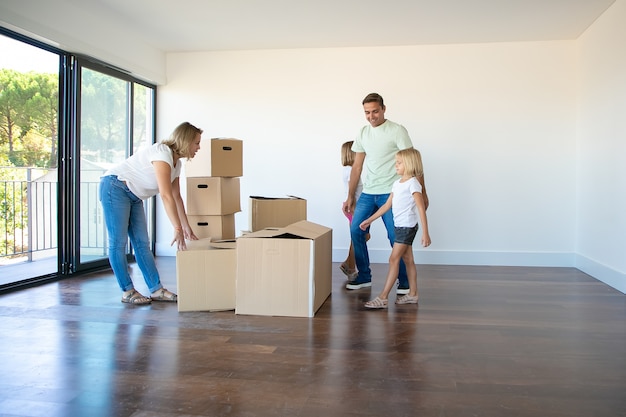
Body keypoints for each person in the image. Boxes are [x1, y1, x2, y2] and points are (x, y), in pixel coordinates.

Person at [99, 121, 202, 305]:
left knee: (142, 244)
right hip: (115, 187)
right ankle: (128, 291)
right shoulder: (163, 153)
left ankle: (156, 289)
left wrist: (187, 228)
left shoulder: (177, 164)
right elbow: (165, 194)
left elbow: (177, 197)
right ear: (186, 141)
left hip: (134, 195)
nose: (198, 147)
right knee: (118, 242)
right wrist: (176, 227)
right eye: (196, 142)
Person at [342, 93, 428, 293]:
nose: (371, 116)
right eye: (367, 112)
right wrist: (350, 195)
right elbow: (356, 167)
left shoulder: (397, 130)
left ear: (383, 109)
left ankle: (405, 282)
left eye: (375, 111)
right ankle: (364, 276)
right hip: (368, 192)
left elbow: (413, 162)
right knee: (356, 229)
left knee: (396, 236)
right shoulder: (363, 133)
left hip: (392, 193)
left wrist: (423, 193)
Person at [360, 148, 431, 309]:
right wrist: (368, 220)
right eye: (396, 162)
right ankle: (413, 294)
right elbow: (386, 205)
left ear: (410, 164)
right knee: (408, 260)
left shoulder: (413, 184)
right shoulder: (397, 184)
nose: (396, 165)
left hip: (407, 227)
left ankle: (383, 297)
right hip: (400, 226)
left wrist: (426, 233)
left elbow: (421, 208)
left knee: (393, 259)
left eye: (399, 163)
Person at [340, 141, 370, 280]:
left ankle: (348, 264)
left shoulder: (348, 169)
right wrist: (352, 205)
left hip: (353, 206)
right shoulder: (351, 170)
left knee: (358, 237)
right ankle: (350, 266)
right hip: (354, 207)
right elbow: (351, 191)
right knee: (361, 237)